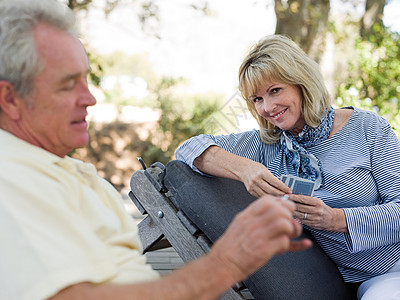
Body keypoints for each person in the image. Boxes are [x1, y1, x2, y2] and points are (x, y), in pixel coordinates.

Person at [0, 1, 311, 299]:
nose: (90, 98)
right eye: (68, 84)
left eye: (85, 79)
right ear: (11, 99)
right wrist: (228, 262)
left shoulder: (82, 180)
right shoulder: (11, 182)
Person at [175, 34, 400, 299]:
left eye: (275, 90)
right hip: (358, 280)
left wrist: (336, 220)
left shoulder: (368, 128)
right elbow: (188, 149)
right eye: (257, 99)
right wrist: (244, 169)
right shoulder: (265, 144)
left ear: (302, 83)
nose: (268, 108)